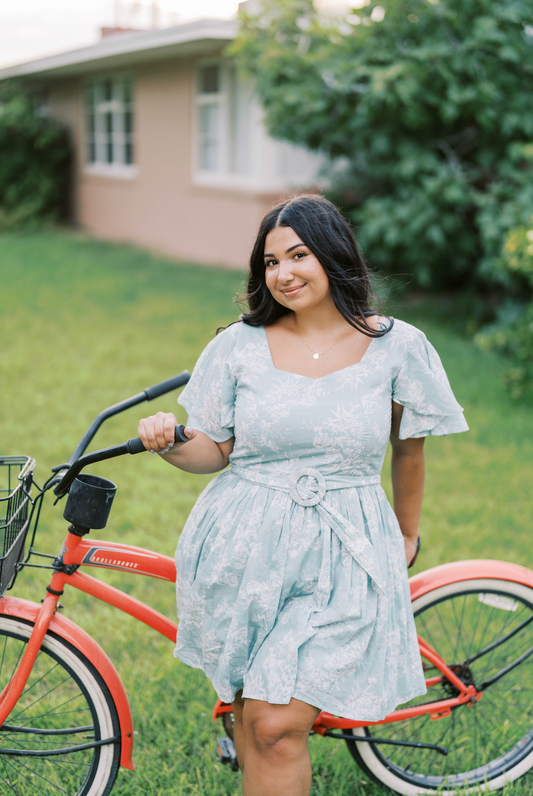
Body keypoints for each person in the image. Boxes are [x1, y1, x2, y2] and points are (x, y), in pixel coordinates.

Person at [137, 194, 468, 796]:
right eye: (269, 262)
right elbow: (213, 448)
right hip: (245, 544)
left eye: (298, 255)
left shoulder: (398, 347)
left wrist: (407, 535)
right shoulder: (240, 344)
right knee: (254, 721)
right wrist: (169, 442)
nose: (283, 274)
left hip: (347, 550)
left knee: (275, 722)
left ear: (333, 255)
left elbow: (410, 449)